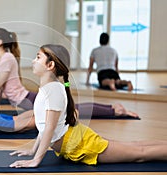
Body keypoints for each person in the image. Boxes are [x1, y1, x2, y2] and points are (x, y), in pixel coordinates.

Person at [9, 44, 167, 168]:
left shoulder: (53, 91)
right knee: (134, 146)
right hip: (77, 139)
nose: (33, 61)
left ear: (50, 65)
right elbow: (44, 127)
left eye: (38, 57)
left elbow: (49, 129)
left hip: (81, 144)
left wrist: (36, 160)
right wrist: (32, 150)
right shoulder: (48, 89)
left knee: (139, 153)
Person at [0, 28, 138, 118]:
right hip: (26, 98)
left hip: (25, 99)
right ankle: (113, 109)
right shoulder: (6, 58)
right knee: (73, 108)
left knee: (73, 110)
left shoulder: (6, 59)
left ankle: (115, 110)